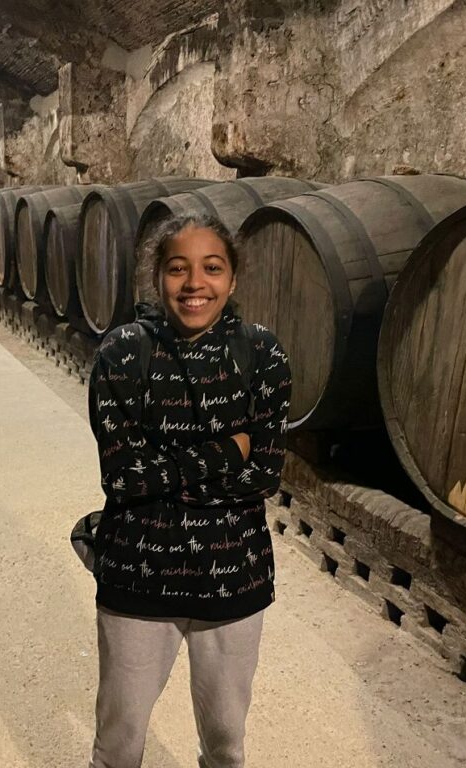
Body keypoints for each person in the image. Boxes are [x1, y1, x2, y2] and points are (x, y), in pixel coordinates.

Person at [86, 213, 293, 768]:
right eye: (178, 268)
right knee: (118, 743)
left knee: (226, 745)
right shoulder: (122, 353)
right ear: (157, 277)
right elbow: (123, 478)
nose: (194, 283)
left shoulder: (262, 354)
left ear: (232, 278)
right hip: (138, 573)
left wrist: (163, 481)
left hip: (232, 575)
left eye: (212, 268)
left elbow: (264, 476)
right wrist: (229, 451)